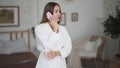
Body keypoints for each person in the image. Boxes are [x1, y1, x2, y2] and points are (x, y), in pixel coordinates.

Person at [35, 2, 72, 68]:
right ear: (48, 14)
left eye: (59, 11)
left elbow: (68, 47)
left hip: (60, 63)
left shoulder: (63, 29)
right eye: (56, 11)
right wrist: (55, 29)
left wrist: (56, 53)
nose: (59, 14)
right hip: (46, 63)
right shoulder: (39, 28)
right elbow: (48, 46)